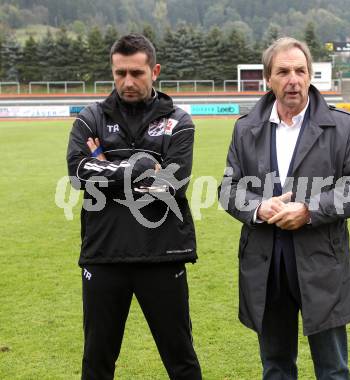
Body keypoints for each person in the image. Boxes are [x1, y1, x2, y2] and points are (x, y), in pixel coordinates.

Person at [219, 37, 350, 379]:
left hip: (322, 263)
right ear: (268, 79)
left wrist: (309, 209)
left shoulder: (343, 126)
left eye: (300, 71)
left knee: (333, 369)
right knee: (275, 367)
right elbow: (228, 189)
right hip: (266, 265)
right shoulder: (246, 128)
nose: (293, 79)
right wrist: (259, 207)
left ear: (309, 76)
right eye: (283, 71)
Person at [66, 33, 201, 380]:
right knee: (96, 362)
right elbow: (79, 174)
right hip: (104, 254)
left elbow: (172, 184)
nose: (128, 81)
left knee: (181, 361)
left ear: (154, 71)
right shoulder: (90, 118)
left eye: (137, 73)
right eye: (120, 72)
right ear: (112, 71)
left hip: (162, 253)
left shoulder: (179, 121)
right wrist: (140, 167)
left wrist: (104, 163)